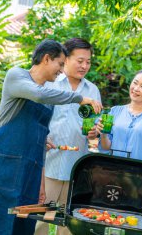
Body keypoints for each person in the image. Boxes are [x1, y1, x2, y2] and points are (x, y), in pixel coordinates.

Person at [0, 39, 102, 235]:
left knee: (24, 221)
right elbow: (38, 94)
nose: (61, 69)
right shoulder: (17, 76)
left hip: (29, 167)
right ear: (47, 59)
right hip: (4, 162)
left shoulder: (50, 97)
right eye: (60, 64)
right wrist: (79, 98)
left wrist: (42, 140)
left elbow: (40, 128)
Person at [34, 38, 100, 235]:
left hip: (77, 168)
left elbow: (96, 125)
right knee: (40, 220)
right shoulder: (50, 84)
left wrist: (95, 131)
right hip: (49, 164)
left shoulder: (93, 90)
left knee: (71, 224)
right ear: (66, 58)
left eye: (88, 62)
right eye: (80, 60)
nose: (84, 66)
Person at [96, 69, 142, 175]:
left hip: (139, 179)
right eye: (135, 83)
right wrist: (103, 134)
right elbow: (106, 147)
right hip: (112, 174)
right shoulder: (115, 111)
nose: (136, 89)